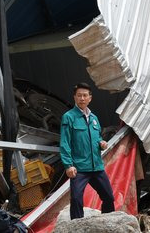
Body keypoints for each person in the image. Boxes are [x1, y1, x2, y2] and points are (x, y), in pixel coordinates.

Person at [59, 82, 115, 220]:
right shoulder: (69, 117)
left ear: (90, 98)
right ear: (74, 97)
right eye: (79, 96)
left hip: (96, 166)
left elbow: (96, 138)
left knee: (108, 197)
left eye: (85, 95)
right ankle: (77, 227)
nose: (82, 98)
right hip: (79, 168)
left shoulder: (94, 118)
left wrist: (101, 143)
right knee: (77, 199)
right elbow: (65, 142)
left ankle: (106, 223)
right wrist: (68, 165)